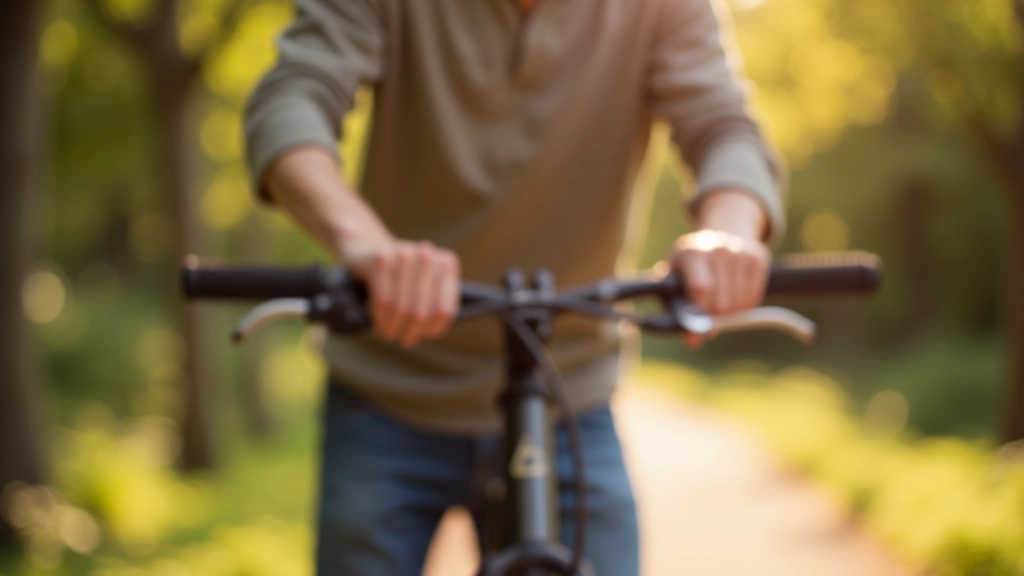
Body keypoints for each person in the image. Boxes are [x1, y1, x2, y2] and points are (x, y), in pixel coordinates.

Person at [243, 0, 785, 573]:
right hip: (389, 391)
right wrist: (365, 246)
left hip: (566, 391)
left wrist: (727, 234)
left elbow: (723, 125)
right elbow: (292, 99)